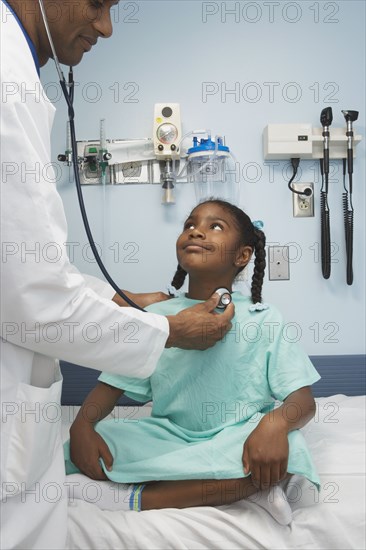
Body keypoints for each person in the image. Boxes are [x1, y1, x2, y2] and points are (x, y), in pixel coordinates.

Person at [0, 3, 234, 549]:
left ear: (245, 257)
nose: (106, 27)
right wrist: (163, 332)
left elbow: (23, 277)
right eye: (97, 2)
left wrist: (116, 299)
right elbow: (32, 298)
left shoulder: (258, 323)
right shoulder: (7, 85)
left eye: (216, 227)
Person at [65, 199, 321, 525]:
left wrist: (274, 424)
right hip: (169, 435)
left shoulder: (264, 318)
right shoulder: (157, 318)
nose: (196, 231)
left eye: (215, 227)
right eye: (189, 225)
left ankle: (132, 498)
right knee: (84, 446)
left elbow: (303, 402)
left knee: (292, 445)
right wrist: (83, 426)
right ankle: (255, 487)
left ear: (242, 255)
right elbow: (110, 387)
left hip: (237, 435)